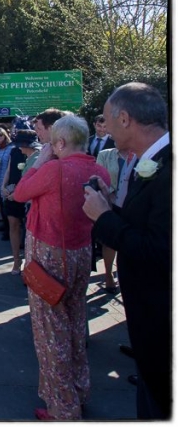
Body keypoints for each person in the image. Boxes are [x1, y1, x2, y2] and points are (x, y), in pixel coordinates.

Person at [13, 115, 110, 420]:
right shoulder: (98, 169)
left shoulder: (54, 168)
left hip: (49, 255)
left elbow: (20, 193)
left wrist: (41, 160)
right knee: (75, 324)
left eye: (51, 142)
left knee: (50, 333)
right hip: (81, 254)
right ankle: (79, 391)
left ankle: (63, 407)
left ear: (61, 143)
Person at [82, 82, 170, 419]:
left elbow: (160, 250)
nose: (100, 128)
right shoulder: (149, 162)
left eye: (105, 119)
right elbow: (143, 225)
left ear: (124, 119)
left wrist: (103, 218)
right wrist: (111, 206)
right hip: (146, 317)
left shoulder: (167, 169)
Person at [94, 146, 137, 293]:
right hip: (111, 202)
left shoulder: (138, 153)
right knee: (111, 240)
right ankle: (108, 275)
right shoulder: (105, 155)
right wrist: (110, 194)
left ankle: (126, 275)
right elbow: (98, 177)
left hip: (132, 204)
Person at [0, 129, 38, 275]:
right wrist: (4, 186)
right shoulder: (14, 151)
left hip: (26, 193)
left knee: (30, 229)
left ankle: (30, 263)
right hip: (12, 190)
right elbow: (9, 170)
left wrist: (18, 193)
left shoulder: (37, 156)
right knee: (13, 224)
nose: (19, 147)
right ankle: (16, 260)